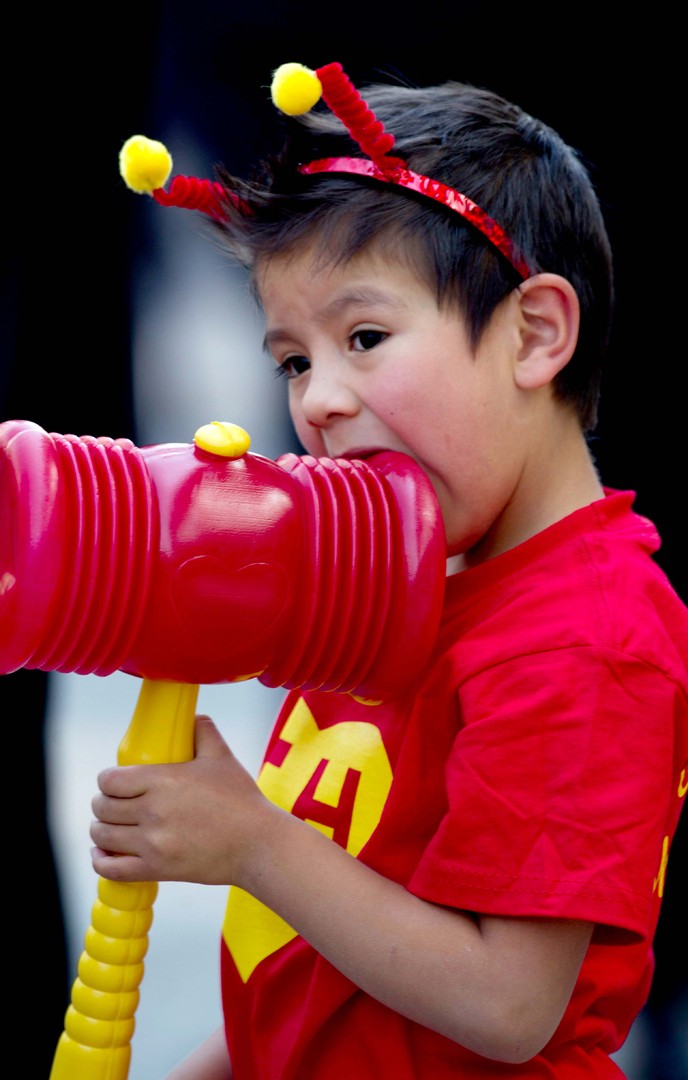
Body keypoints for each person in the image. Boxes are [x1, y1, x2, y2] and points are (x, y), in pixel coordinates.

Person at [90, 62, 688, 1078]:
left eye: (364, 337)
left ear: (536, 334)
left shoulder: (587, 636)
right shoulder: (384, 583)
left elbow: (509, 1006)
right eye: (293, 360)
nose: (318, 397)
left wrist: (253, 845)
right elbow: (332, 976)